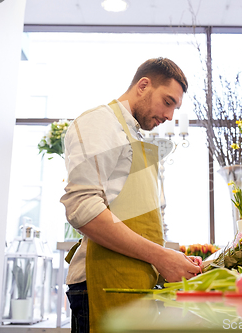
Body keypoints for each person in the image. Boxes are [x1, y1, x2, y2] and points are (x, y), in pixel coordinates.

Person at [60, 58, 201, 333]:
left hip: (134, 286)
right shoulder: (98, 123)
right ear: (143, 85)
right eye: (168, 101)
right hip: (101, 286)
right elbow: (83, 210)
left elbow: (134, 222)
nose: (170, 116)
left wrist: (172, 259)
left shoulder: (136, 137)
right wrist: (160, 257)